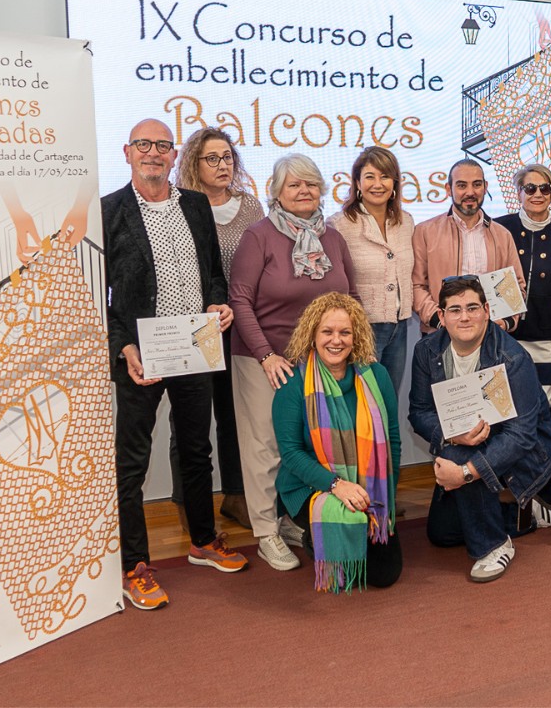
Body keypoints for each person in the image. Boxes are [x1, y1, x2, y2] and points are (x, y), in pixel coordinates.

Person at [103, 119, 248, 611]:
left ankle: (204, 542)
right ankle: (134, 565)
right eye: (144, 145)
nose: (153, 153)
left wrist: (218, 303)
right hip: (141, 354)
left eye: (162, 146)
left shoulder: (194, 204)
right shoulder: (109, 212)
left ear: (172, 156)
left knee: (196, 448)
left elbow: (212, 272)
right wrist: (123, 347)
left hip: (194, 346)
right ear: (127, 153)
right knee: (133, 461)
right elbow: (101, 296)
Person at [229, 153, 360, 571]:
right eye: (293, 185)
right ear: (276, 192)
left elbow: (350, 298)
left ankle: (287, 520)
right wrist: (265, 354)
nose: (303, 191)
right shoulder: (259, 236)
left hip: (319, 361)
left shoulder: (333, 238)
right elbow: (240, 301)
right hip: (264, 358)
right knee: (265, 448)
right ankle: (266, 532)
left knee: (305, 447)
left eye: (310, 183)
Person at [408, 277, 551, 583]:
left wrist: (464, 473)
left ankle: (494, 545)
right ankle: (523, 515)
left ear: (487, 310)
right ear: (442, 316)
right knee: (443, 534)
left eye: (472, 308)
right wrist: (451, 433)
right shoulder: (426, 351)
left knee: (458, 454)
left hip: (522, 459)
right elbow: (419, 412)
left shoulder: (513, 358)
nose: (464, 317)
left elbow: (522, 436)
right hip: (463, 446)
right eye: (455, 310)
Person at [167, 127, 265, 531]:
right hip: (196, 325)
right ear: (194, 162)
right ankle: (187, 503)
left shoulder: (251, 206)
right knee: (189, 419)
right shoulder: (180, 206)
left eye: (227, 157)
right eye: (213, 158)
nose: (223, 165)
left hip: (240, 324)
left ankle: (237, 497)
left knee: (234, 416)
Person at [273, 292, 402, 592]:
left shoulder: (376, 376)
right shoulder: (293, 383)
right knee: (344, 574)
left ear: (356, 337)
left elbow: (392, 438)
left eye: (345, 332)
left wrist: (384, 492)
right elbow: (291, 454)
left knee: (385, 574)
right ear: (312, 335)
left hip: (369, 483)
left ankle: (344, 529)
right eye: (327, 332)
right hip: (311, 486)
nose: (336, 340)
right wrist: (337, 485)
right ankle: (309, 533)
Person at [494, 164, 551, 478]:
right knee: (507, 407)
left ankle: (542, 472)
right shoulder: (500, 228)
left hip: (546, 336)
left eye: (545, 189)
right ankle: (509, 471)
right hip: (507, 336)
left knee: (544, 410)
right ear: (518, 192)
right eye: (530, 188)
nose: (538, 194)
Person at [327, 146, 415, 392]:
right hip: (361, 328)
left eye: (385, 176)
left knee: (389, 400)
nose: (378, 184)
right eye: (370, 177)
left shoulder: (406, 221)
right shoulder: (339, 224)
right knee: (363, 405)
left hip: (400, 326)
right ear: (357, 182)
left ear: (395, 182)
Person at [411, 158, 525, 334]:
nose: (470, 192)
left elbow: (515, 286)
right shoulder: (425, 232)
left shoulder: (502, 235)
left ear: (486, 187)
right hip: (438, 335)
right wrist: (440, 320)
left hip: (489, 336)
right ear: (449, 189)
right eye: (462, 185)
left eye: (477, 185)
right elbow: (416, 286)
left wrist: (505, 322)